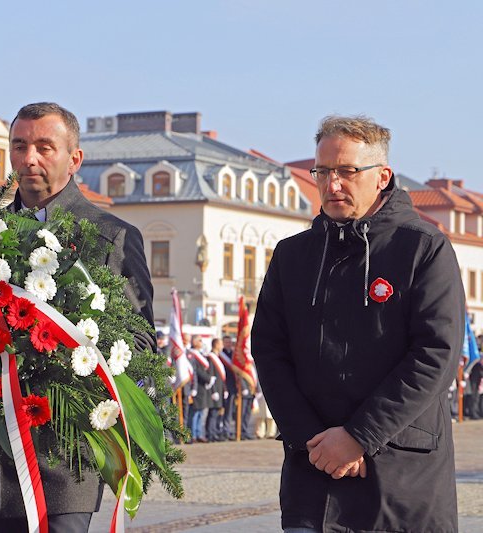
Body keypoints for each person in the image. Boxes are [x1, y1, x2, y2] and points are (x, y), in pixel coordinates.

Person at [252, 115, 464, 532]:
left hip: (400, 483)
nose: (332, 184)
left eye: (347, 171)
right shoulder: (292, 255)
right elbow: (269, 350)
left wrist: (358, 437)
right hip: (312, 477)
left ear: (382, 176)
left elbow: (434, 356)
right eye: (323, 171)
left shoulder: (423, 248)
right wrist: (312, 439)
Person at [0, 102, 155, 533]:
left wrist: (67, 355)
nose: (29, 158)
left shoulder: (111, 236)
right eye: (19, 146)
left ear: (74, 159)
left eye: (44, 147)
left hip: (67, 456)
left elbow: (141, 341)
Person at [188, 335, 210, 442]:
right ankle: (193, 435)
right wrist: (208, 379)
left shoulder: (201, 355)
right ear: (194, 342)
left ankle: (200, 434)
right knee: (195, 413)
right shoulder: (191, 354)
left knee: (202, 413)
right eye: (200, 340)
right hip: (197, 387)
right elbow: (196, 371)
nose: (202, 342)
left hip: (203, 388)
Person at [205, 338, 226, 442]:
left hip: (220, 389)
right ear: (216, 345)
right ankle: (210, 433)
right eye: (221, 344)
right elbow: (211, 375)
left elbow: (221, 376)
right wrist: (214, 391)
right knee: (212, 412)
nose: (222, 346)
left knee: (217, 412)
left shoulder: (218, 357)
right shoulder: (210, 357)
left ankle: (215, 432)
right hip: (214, 390)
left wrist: (224, 389)